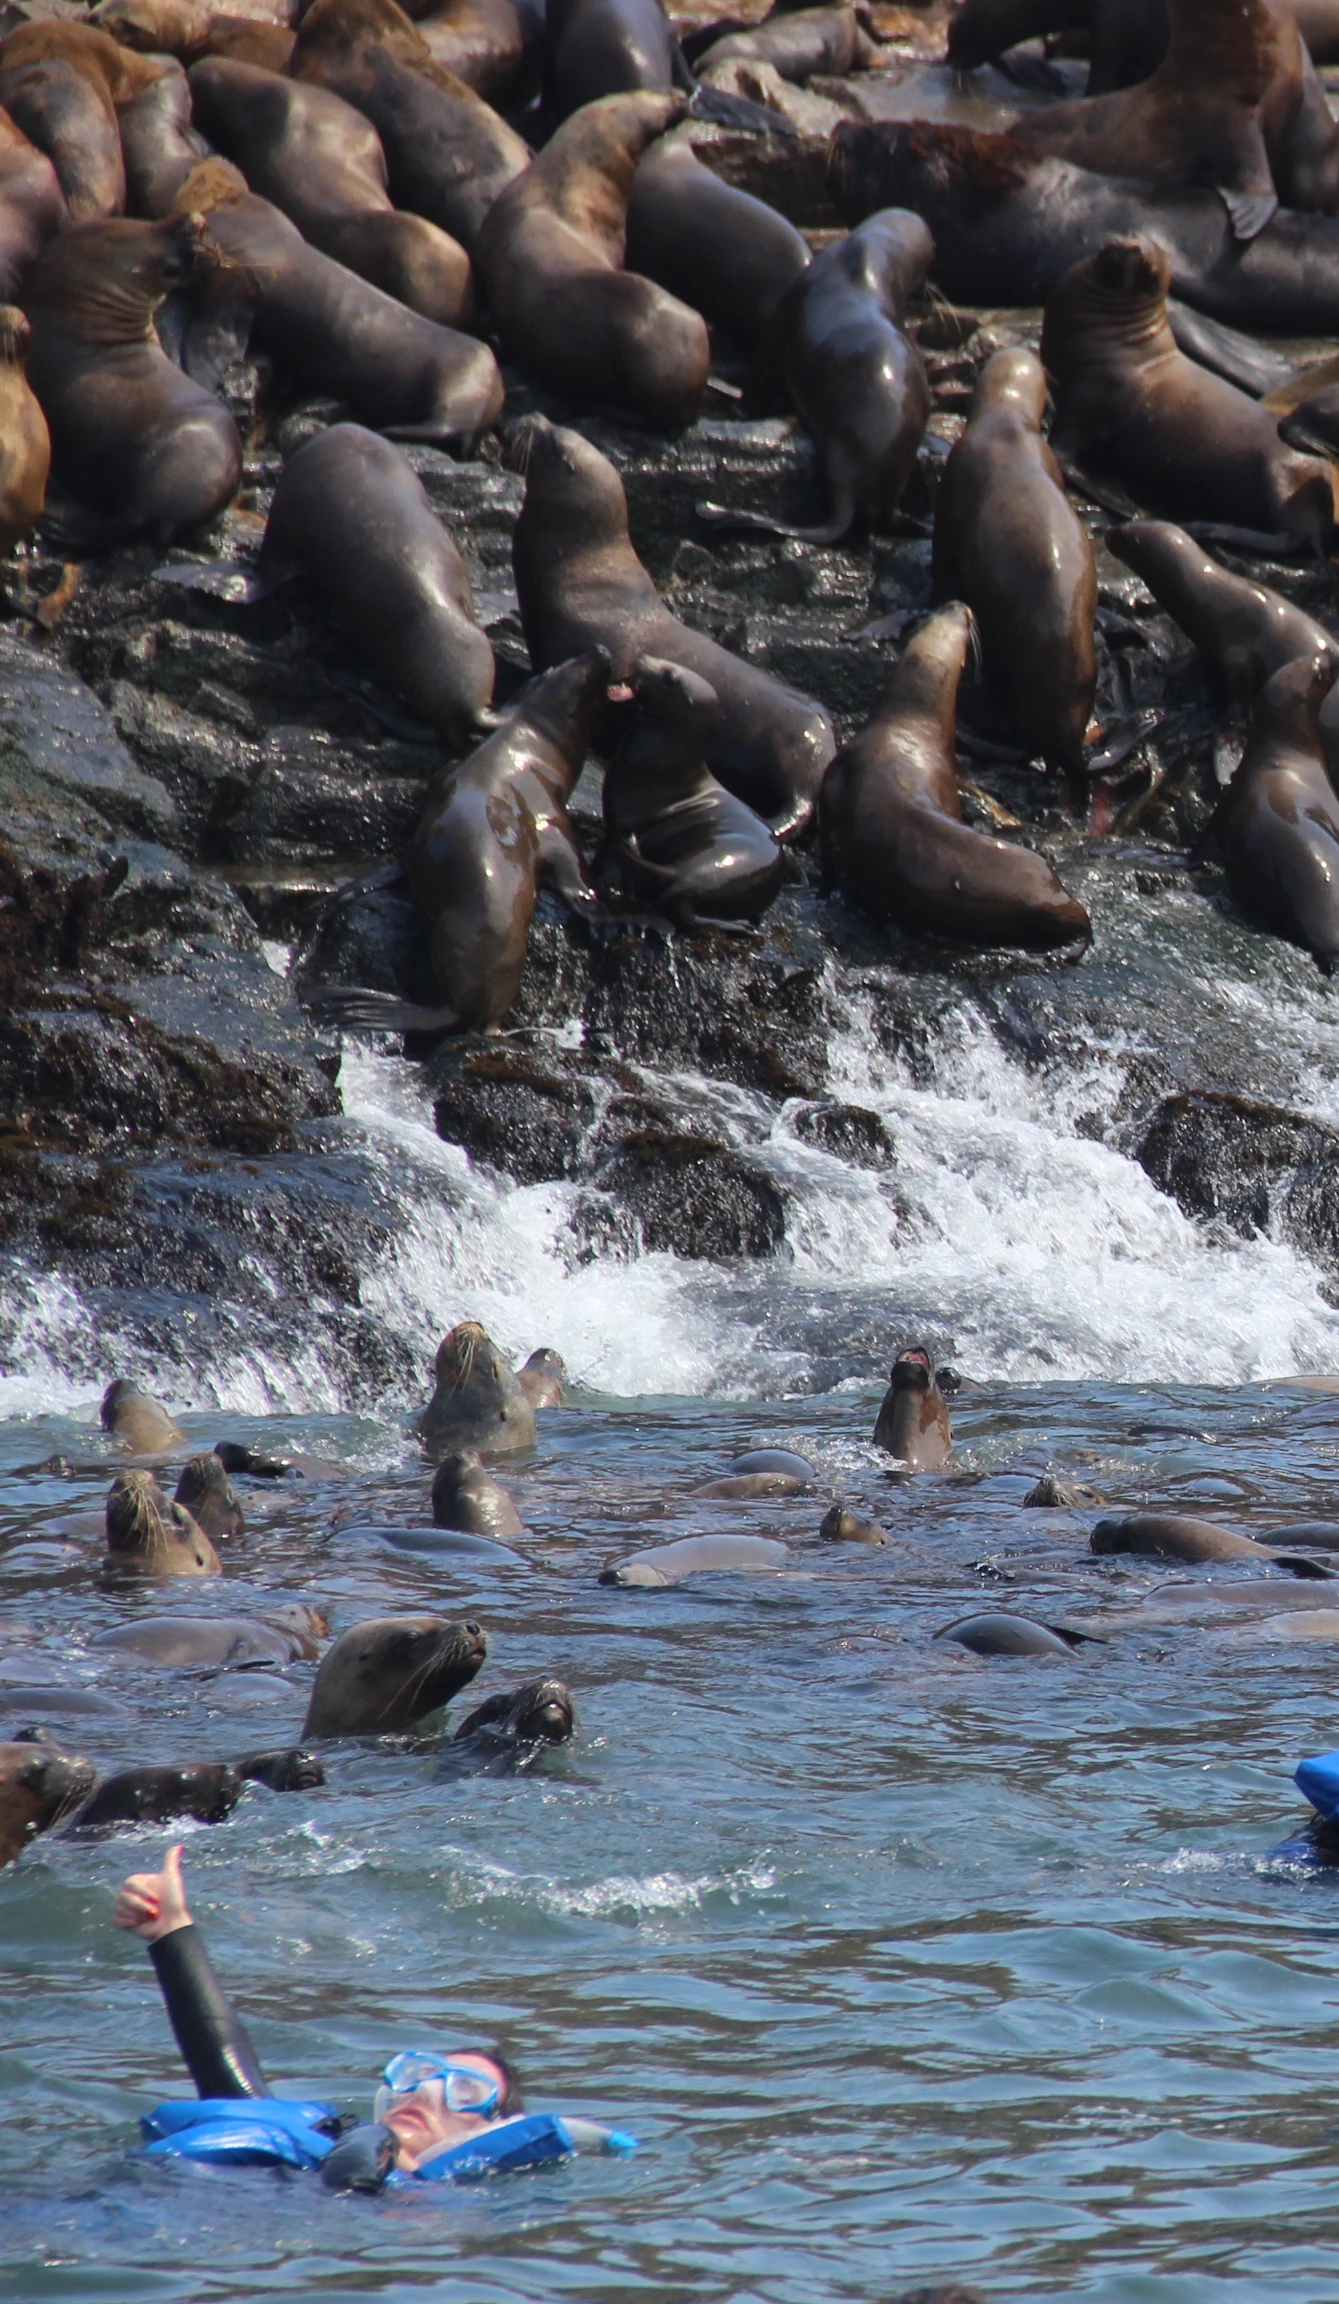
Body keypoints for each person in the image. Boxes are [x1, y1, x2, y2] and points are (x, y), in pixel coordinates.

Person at [115, 1845, 634, 2189]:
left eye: (465, 2091)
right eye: (419, 2075)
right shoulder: (313, 2137)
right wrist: (171, 1930)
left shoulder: (430, 2207)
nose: (426, 2092)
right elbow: (223, 2059)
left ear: (485, 2131)